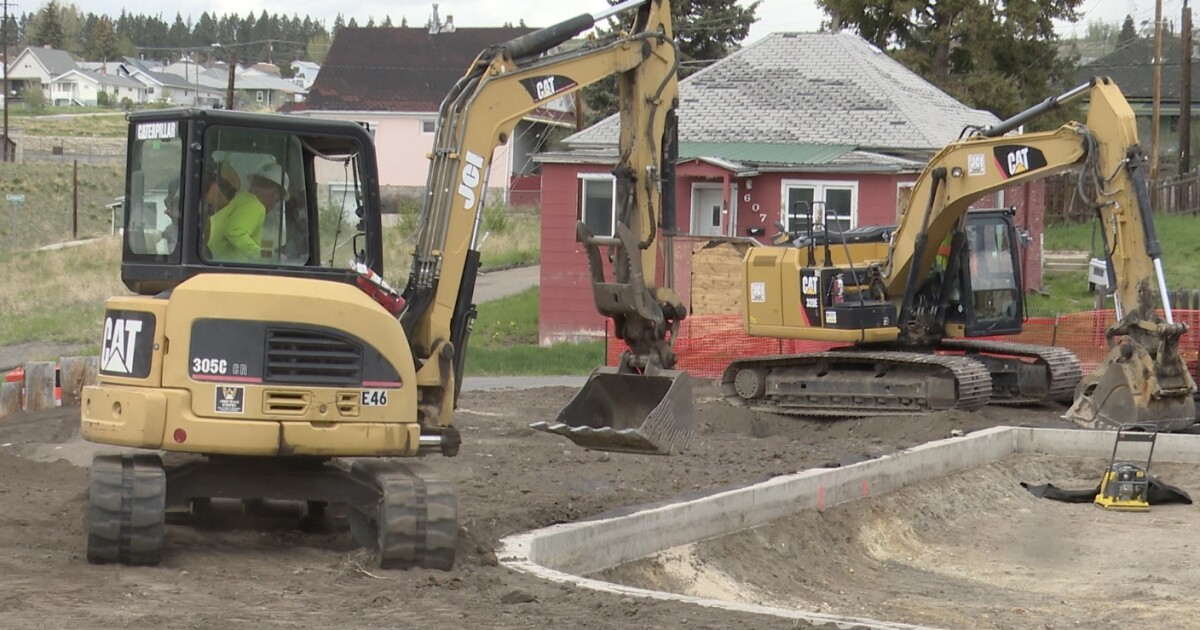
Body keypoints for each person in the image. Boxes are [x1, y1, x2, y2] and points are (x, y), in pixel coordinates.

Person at [207, 163, 289, 262]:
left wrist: (269, 253)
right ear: (275, 194)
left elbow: (257, 240)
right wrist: (267, 257)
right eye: (278, 200)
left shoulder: (243, 199)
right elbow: (235, 232)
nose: (275, 204)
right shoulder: (255, 205)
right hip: (222, 264)